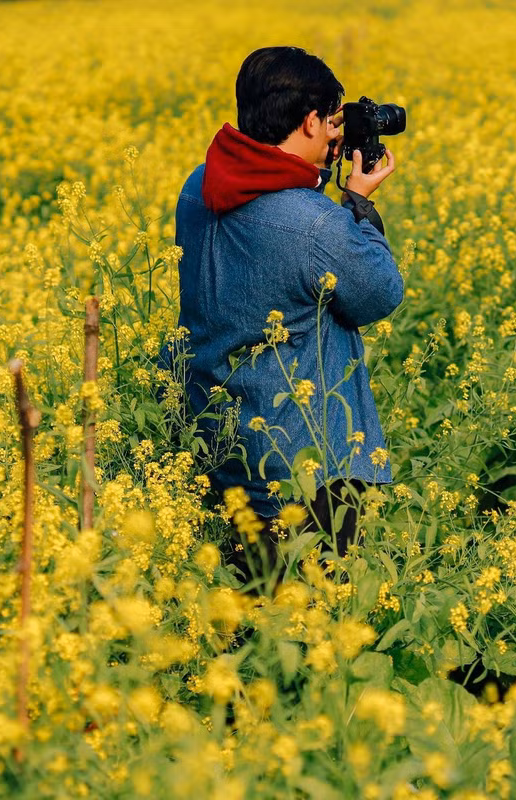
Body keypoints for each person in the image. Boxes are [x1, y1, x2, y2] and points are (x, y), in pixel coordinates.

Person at [164, 46, 403, 582]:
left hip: (215, 442)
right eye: (329, 120)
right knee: (314, 626)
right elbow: (379, 294)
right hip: (304, 465)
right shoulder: (314, 223)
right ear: (312, 121)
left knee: (241, 623)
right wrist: (359, 205)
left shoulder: (197, 188)